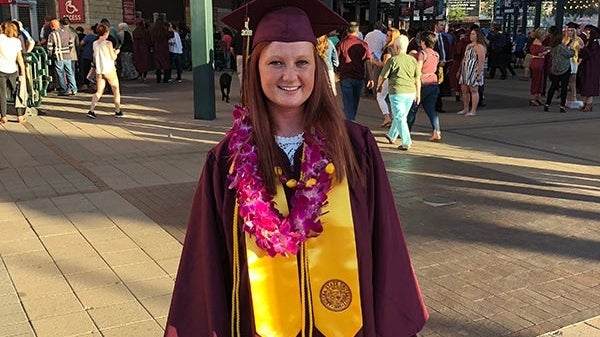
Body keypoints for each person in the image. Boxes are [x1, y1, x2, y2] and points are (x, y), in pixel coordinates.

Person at [164, 0, 429, 336]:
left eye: (302, 62)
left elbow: (385, 244)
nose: (290, 75)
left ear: (316, 69)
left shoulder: (355, 147)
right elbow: (205, 266)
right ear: (255, 67)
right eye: (275, 62)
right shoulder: (226, 161)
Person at [377, 34, 421, 151]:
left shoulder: (392, 60)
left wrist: (379, 86)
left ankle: (406, 141)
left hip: (397, 91)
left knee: (400, 116)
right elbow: (417, 78)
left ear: (396, 47)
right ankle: (392, 135)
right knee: (401, 116)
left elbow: (382, 76)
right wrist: (418, 93)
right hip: (410, 92)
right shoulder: (412, 60)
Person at [337, 21, 373, 121]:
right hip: (359, 76)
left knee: (347, 101)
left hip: (345, 76)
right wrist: (370, 78)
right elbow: (367, 62)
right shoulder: (363, 44)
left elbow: (337, 59)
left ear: (347, 31)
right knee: (355, 101)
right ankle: (352, 120)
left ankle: (351, 121)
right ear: (358, 31)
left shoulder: (342, 43)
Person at [86, 23, 122, 119]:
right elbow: (113, 57)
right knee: (116, 90)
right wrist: (116, 52)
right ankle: (117, 111)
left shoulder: (95, 43)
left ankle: (91, 110)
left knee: (99, 91)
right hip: (109, 69)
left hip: (99, 71)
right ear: (106, 32)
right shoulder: (108, 43)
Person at [413, 31, 442, 142]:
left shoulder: (422, 53)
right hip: (433, 83)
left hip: (423, 83)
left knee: (413, 108)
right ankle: (436, 131)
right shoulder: (436, 54)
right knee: (431, 109)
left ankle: (405, 131)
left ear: (423, 42)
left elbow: (418, 69)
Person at [371, 27, 400, 127]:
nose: (387, 37)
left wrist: (374, 62)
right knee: (392, 98)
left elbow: (385, 64)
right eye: (387, 35)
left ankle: (387, 117)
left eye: (389, 36)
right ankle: (393, 119)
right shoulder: (398, 48)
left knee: (380, 96)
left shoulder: (388, 49)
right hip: (396, 75)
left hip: (387, 76)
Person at [543, 28, 575, 113]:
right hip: (565, 68)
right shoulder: (561, 47)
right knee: (564, 87)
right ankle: (562, 106)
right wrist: (571, 49)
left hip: (555, 68)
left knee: (553, 86)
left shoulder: (553, 47)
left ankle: (547, 104)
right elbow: (570, 54)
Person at [0, 21, 26, 124]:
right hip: (13, 69)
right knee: (17, 92)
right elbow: (19, 57)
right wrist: (22, 71)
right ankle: (19, 116)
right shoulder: (16, 42)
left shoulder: (0, 39)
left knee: (2, 93)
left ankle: (3, 116)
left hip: (1, 69)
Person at [457, 28, 486, 116]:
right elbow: (464, 58)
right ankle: (465, 108)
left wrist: (478, 73)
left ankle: (473, 110)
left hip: (474, 70)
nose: (471, 36)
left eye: (473, 34)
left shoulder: (480, 46)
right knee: (464, 89)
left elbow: (481, 61)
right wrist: (460, 69)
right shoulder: (468, 46)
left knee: (473, 90)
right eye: (471, 34)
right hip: (466, 69)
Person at [47, 19, 78, 96]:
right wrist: (68, 51)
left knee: (60, 73)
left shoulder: (52, 34)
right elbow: (71, 45)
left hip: (58, 56)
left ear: (52, 26)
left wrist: (50, 54)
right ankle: (74, 89)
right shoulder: (66, 33)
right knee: (70, 72)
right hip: (67, 55)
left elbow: (49, 47)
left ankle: (64, 89)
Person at [576, 26, 599, 112]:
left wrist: (583, 47)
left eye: (588, 33)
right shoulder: (589, 42)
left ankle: (589, 104)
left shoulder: (595, 44)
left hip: (592, 68)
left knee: (590, 85)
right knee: (586, 85)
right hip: (587, 66)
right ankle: (585, 103)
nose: (587, 34)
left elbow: (590, 55)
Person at [528, 28, 548, 106]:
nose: (545, 37)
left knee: (540, 80)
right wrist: (546, 52)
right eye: (544, 35)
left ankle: (537, 96)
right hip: (537, 62)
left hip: (538, 62)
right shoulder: (537, 43)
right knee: (536, 80)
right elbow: (539, 53)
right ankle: (533, 98)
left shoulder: (537, 42)